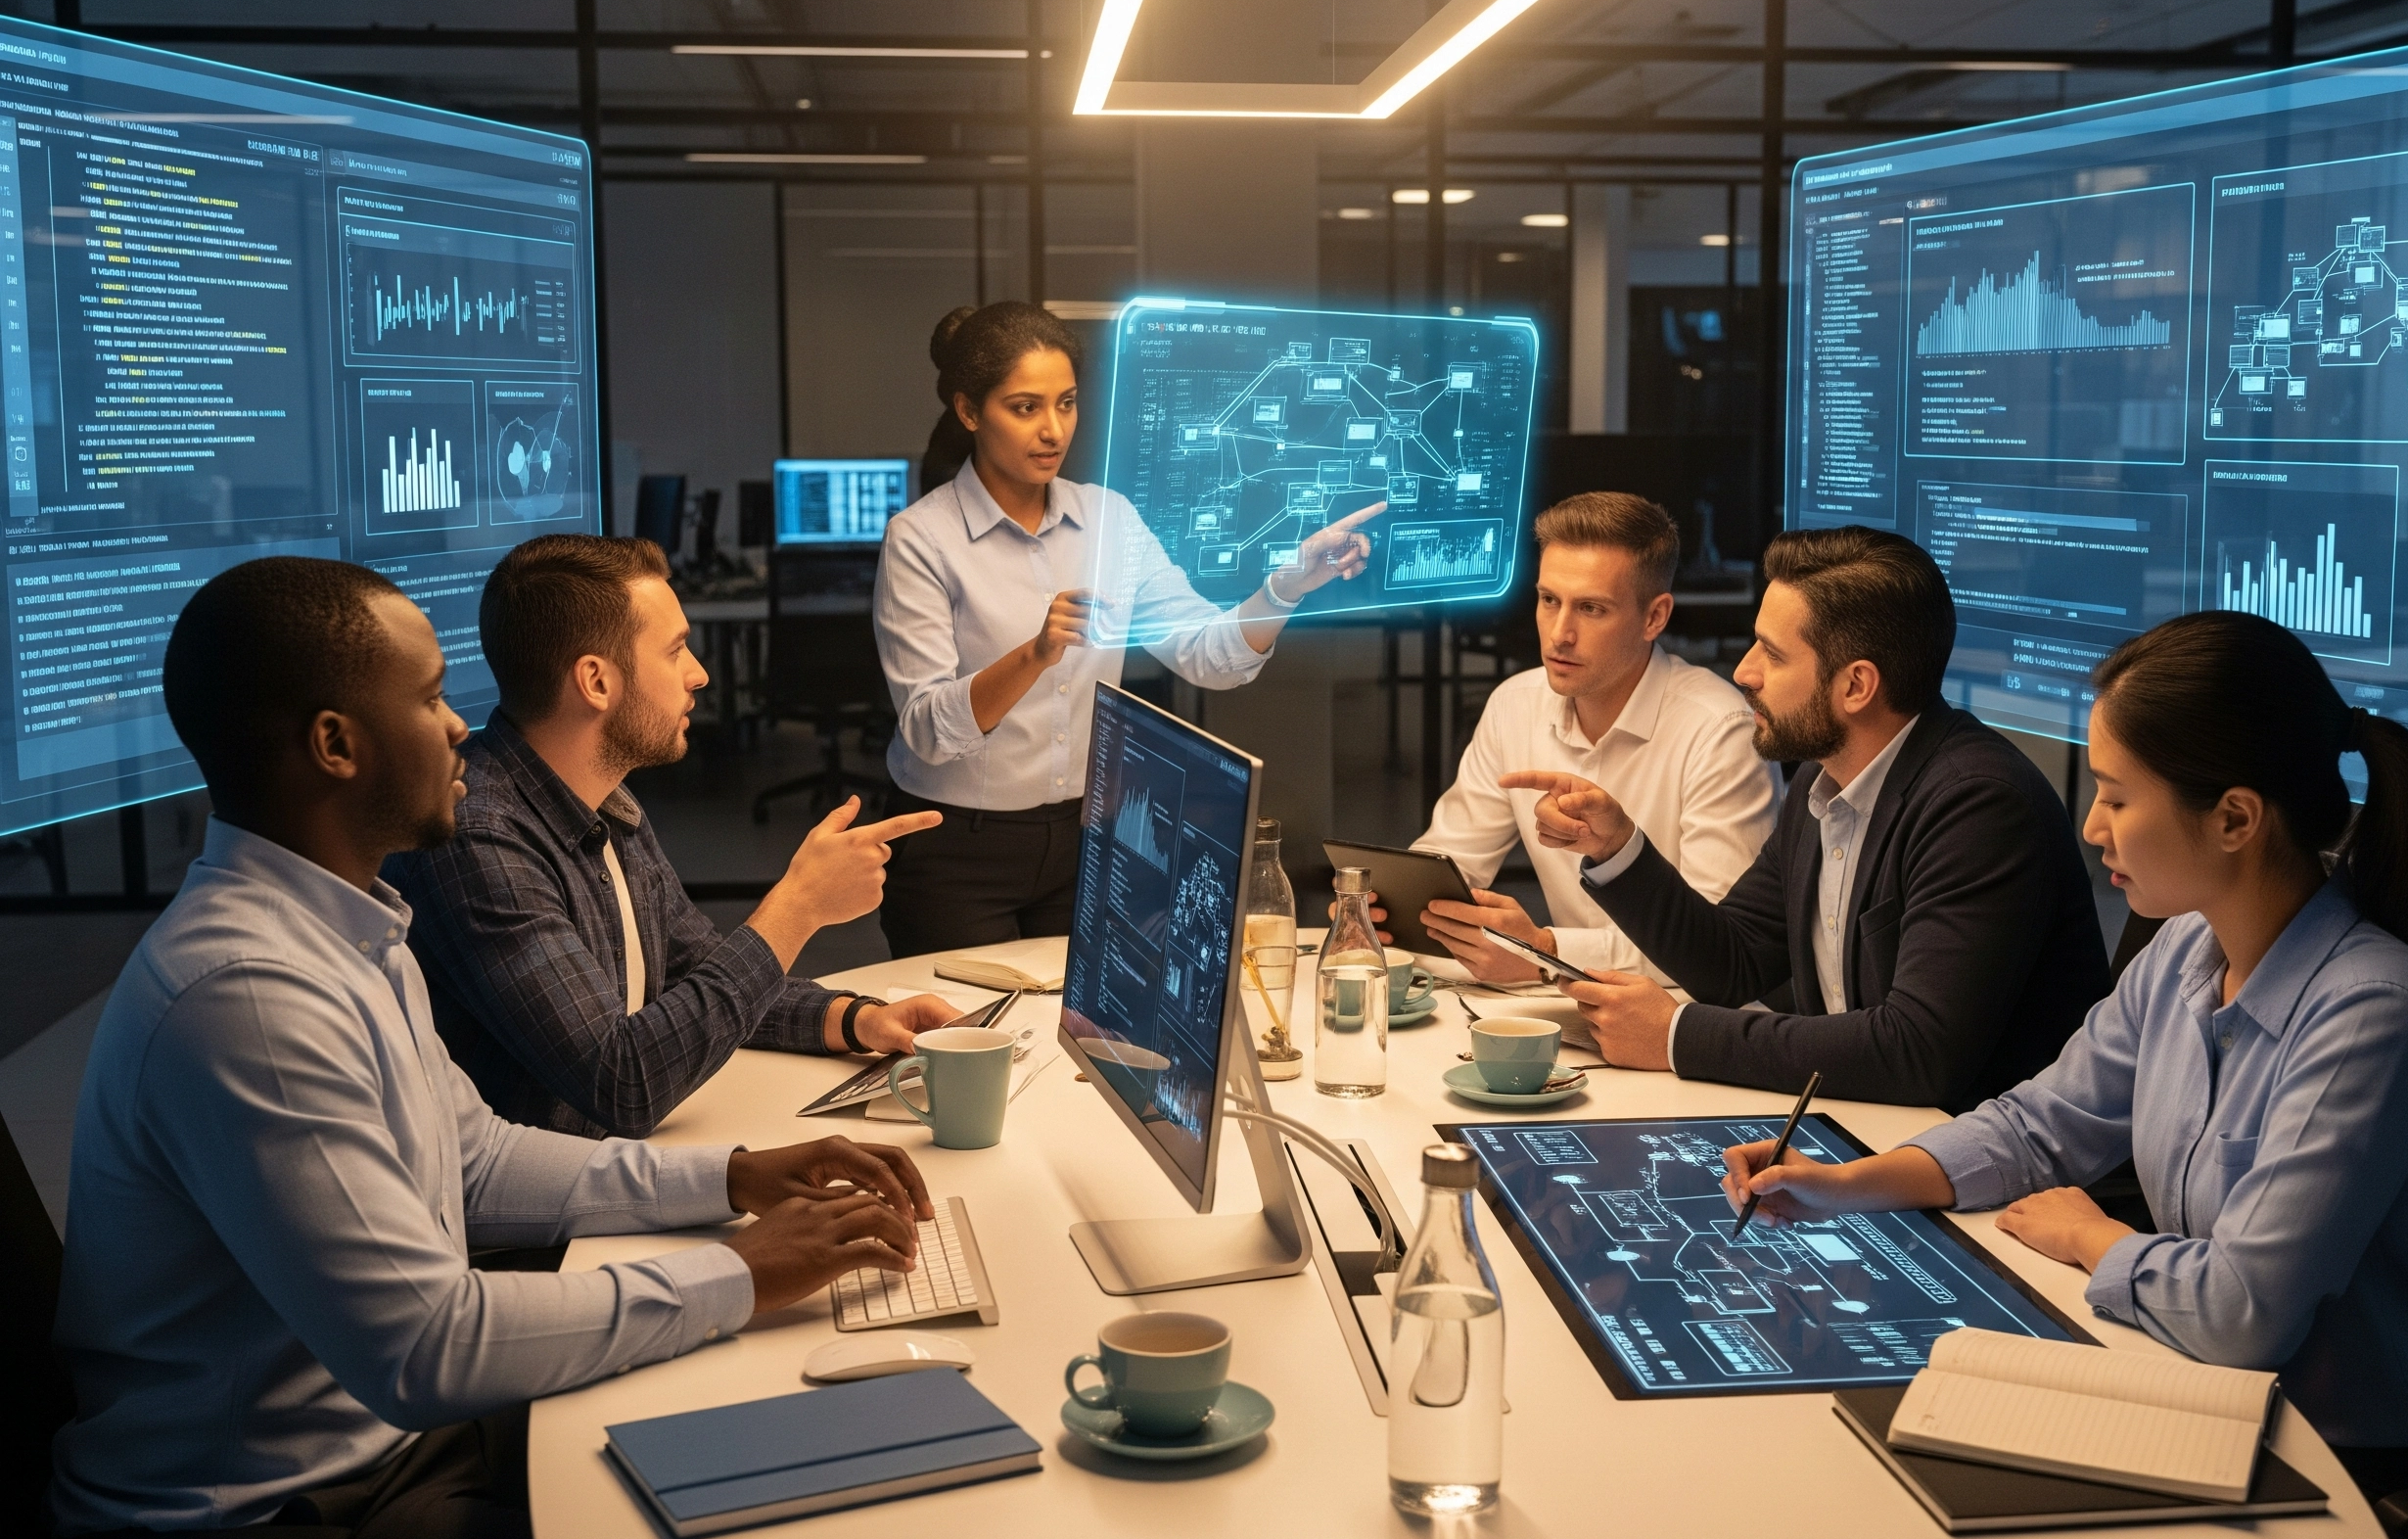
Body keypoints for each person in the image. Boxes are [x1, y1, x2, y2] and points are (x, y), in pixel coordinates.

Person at [50, 556, 937, 1539]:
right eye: (428, 697)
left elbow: (474, 1161)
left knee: (788, 1441)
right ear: (335, 744)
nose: (460, 725)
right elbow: (426, 1349)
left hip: (384, 1456)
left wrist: (733, 1177)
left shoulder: (344, 924)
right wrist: (739, 1272)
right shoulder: (249, 995)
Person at [1721, 610, 2408, 1539]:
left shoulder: (2372, 1007)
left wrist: (2093, 1237)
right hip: (2218, 1406)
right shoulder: (2184, 951)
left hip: (2365, 1472)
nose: (2093, 827)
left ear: (2234, 818)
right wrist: (1848, 1183)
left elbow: (2244, 1309)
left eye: (2118, 796)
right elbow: (2041, 1122)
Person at [1506, 525, 2107, 1107]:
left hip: (1977, 1153)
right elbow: (1734, 961)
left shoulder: (1979, 806)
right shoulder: (1823, 784)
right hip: (1866, 1121)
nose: (1744, 672)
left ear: (1856, 686)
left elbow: (1919, 1052)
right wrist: (1617, 848)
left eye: (1772, 654)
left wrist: (1677, 1037)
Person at [383, 535, 960, 1141]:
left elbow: (697, 973)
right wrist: (800, 906)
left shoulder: (603, 796)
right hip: (552, 1197)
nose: (699, 674)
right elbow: (623, 1082)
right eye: (676, 650)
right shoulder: (477, 840)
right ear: (596, 682)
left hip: (614, 1169)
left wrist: (853, 1020)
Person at [874, 301, 1382, 958]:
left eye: (1066, 403)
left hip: (1088, 836)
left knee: (1078, 1023)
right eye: (1025, 407)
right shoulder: (921, 538)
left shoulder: (1110, 519)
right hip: (953, 851)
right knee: (963, 1021)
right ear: (969, 412)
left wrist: (1286, 587)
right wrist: (1035, 654)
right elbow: (925, 731)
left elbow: (1209, 656)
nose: (1053, 429)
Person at [1401, 491, 1777, 983]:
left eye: (1591, 608)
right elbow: (1450, 865)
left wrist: (1546, 953)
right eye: (1549, 600)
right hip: (1572, 1000)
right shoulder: (1515, 704)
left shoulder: (1721, 730)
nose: (1560, 633)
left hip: (1689, 1010)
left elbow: (1718, 947)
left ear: (1654, 617)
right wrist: (1390, 905)